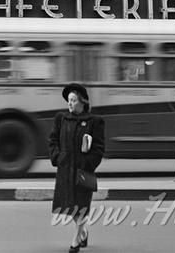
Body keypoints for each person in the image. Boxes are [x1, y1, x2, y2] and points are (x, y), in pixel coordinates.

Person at [49, 83, 106, 253]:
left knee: (81, 205)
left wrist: (88, 163)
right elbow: (52, 140)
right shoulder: (61, 118)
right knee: (70, 205)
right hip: (65, 170)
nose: (70, 104)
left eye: (73, 100)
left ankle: (76, 240)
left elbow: (99, 148)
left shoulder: (95, 122)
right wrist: (57, 157)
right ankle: (84, 231)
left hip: (83, 171)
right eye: (69, 101)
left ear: (82, 102)